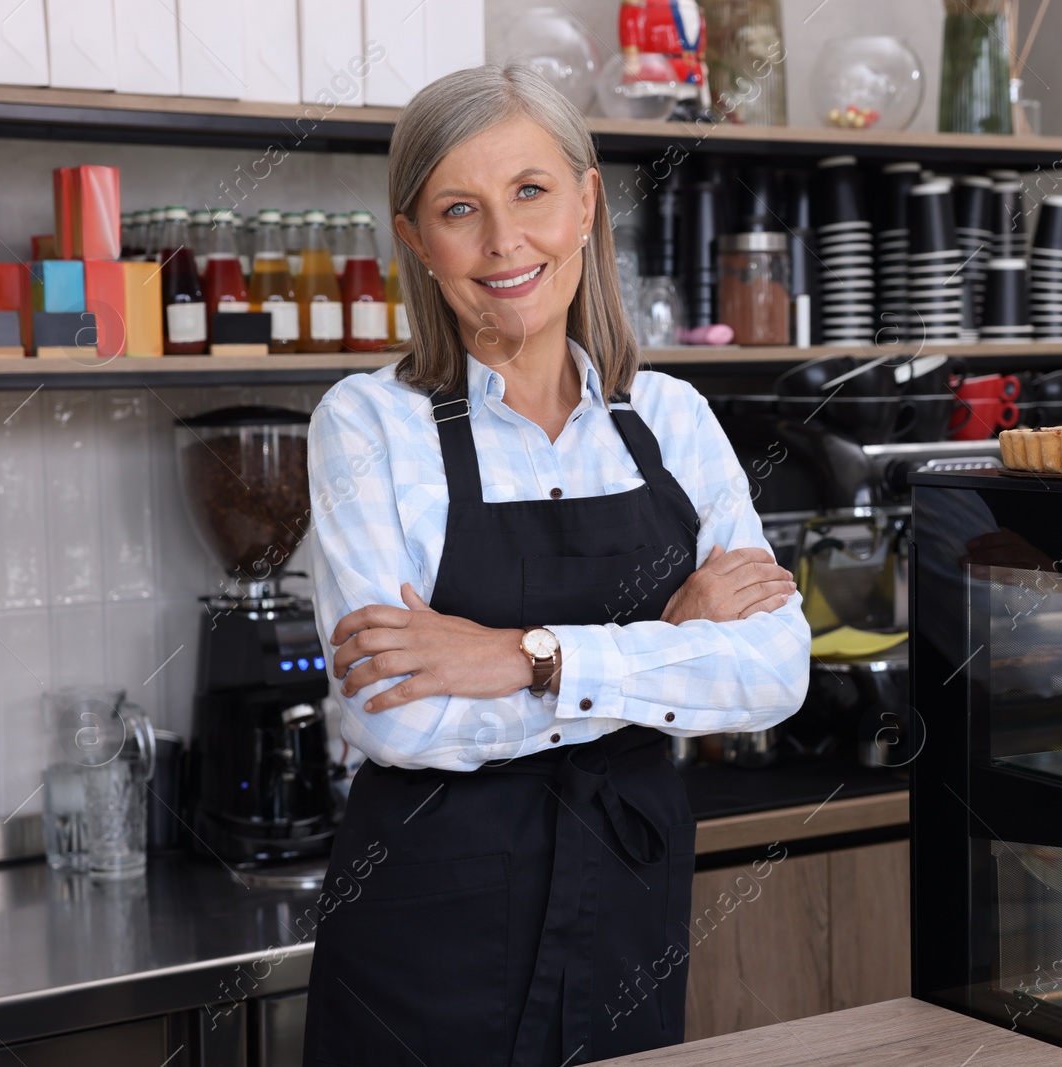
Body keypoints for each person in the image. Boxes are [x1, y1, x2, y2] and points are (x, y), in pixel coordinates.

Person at [300, 64, 810, 1067]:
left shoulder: (670, 419)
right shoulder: (367, 424)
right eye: (460, 208)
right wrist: (666, 644)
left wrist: (525, 655)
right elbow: (397, 714)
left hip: (626, 907)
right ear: (415, 238)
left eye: (530, 192)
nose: (503, 242)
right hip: (427, 931)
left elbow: (773, 672)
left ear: (585, 203)